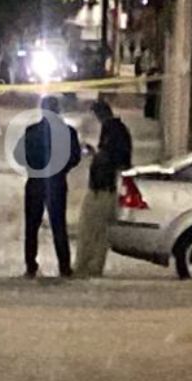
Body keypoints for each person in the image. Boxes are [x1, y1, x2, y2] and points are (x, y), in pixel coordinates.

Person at [14, 95, 81, 278]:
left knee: (32, 226)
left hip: (35, 181)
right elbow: (75, 157)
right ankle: (64, 266)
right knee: (58, 225)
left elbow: (19, 155)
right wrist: (62, 169)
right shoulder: (68, 132)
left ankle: (31, 266)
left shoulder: (32, 131)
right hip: (57, 183)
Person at [75, 99, 133, 278]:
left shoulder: (113, 131)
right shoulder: (116, 130)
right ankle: (91, 266)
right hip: (105, 186)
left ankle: (87, 267)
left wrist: (96, 155)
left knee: (92, 229)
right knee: (97, 231)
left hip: (103, 188)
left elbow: (113, 159)